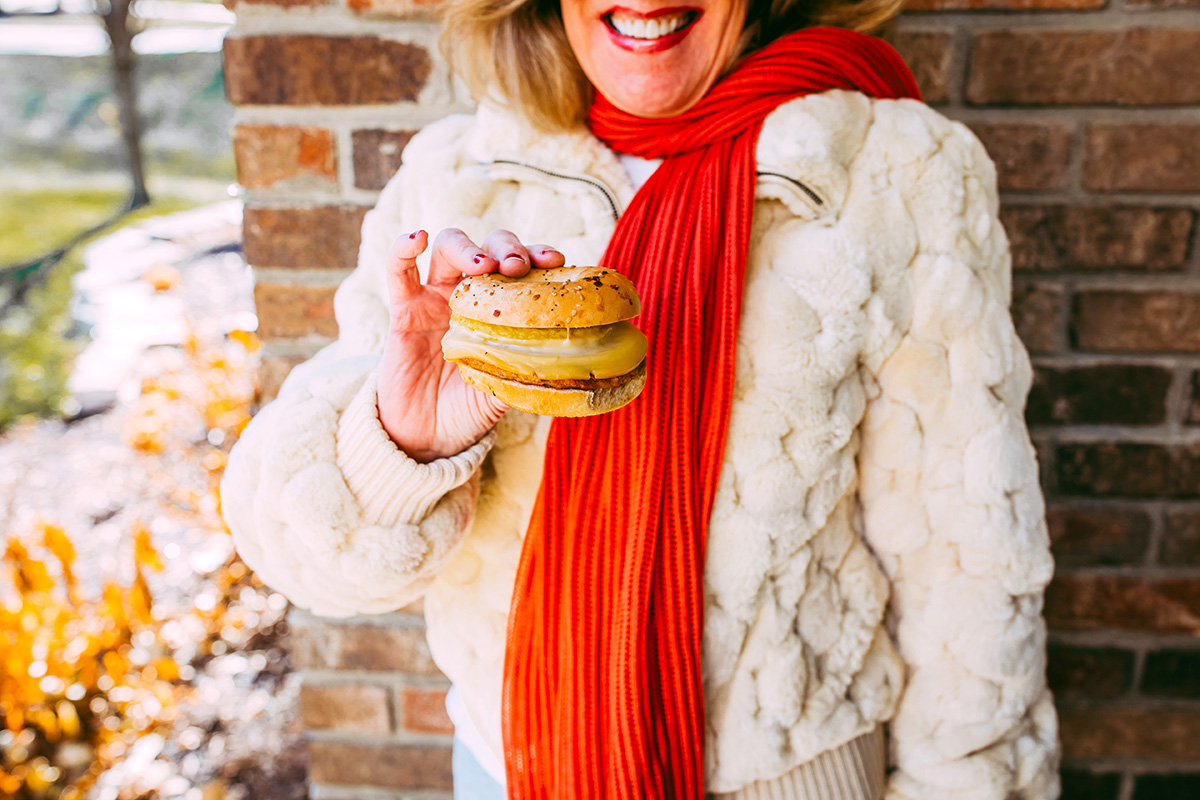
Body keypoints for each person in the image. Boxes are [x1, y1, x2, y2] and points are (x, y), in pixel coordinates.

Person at [220, 0, 1061, 797]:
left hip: (795, 777)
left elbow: (970, 559)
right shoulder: (455, 179)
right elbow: (310, 558)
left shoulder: (894, 170)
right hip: (513, 766)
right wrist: (406, 440)